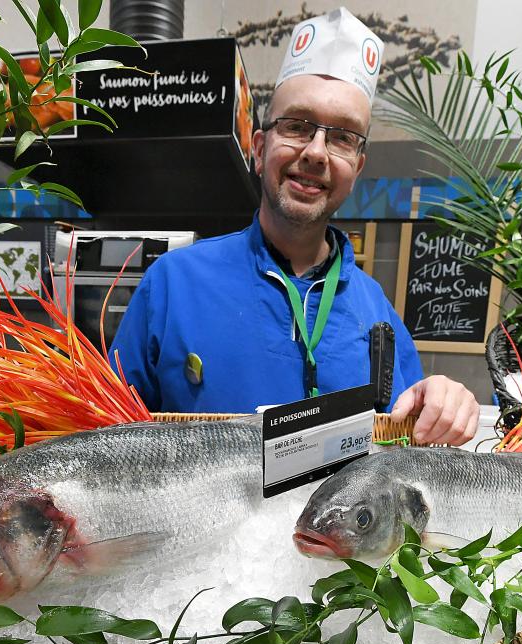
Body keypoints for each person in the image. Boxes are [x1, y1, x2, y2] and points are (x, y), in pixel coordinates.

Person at [109, 8, 479, 445]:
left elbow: (406, 452)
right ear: (260, 146)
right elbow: (109, 443)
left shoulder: (377, 310)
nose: (317, 152)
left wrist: (444, 400)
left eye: (343, 137)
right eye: (298, 126)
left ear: (357, 168)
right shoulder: (172, 286)